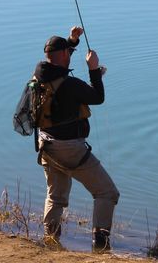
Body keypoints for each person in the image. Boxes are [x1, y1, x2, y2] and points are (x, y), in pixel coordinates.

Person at [33, 26, 119, 252]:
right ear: (61, 56)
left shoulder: (40, 75)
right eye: (68, 52)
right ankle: (101, 245)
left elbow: (60, 54)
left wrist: (72, 41)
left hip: (46, 146)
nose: (70, 55)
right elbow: (97, 97)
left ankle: (50, 241)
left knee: (56, 196)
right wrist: (93, 71)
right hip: (70, 150)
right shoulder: (69, 85)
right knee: (107, 192)